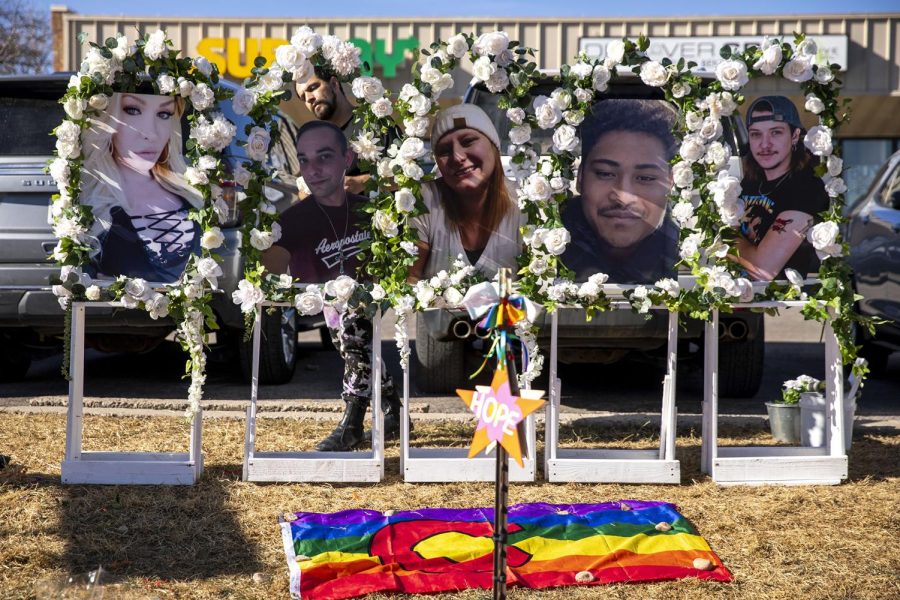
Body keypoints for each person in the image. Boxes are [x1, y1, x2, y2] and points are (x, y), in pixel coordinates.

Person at [263, 120, 403, 452]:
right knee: (353, 347)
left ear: (347, 159)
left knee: (355, 340)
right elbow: (273, 269)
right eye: (305, 159)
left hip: (366, 291)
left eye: (324, 157)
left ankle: (351, 425)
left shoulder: (369, 210)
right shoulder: (295, 218)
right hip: (325, 294)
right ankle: (393, 408)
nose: (314, 169)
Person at [81, 92, 202, 283]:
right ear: (105, 117)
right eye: (132, 110)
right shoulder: (90, 205)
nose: (151, 134)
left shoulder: (194, 195)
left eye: (164, 114)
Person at [561, 99, 679, 283]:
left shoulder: (692, 251)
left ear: (671, 182)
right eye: (605, 174)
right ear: (580, 177)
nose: (624, 197)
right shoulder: (544, 242)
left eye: (646, 178)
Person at [408, 104, 524, 282]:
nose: (458, 157)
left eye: (468, 141)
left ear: (493, 145)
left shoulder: (525, 202)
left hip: (509, 310)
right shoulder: (423, 201)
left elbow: (539, 290)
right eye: (444, 151)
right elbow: (410, 280)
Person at [733, 95, 829, 281]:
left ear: (795, 136)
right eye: (756, 134)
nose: (765, 144)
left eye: (775, 132)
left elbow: (761, 269)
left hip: (783, 305)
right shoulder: (749, 183)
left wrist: (720, 235)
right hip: (735, 299)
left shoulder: (806, 188)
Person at [295, 67, 371, 195]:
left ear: (334, 84)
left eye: (313, 88)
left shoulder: (373, 120)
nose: (308, 98)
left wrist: (360, 183)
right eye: (303, 97)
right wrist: (306, 194)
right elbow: (303, 186)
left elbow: (407, 174)